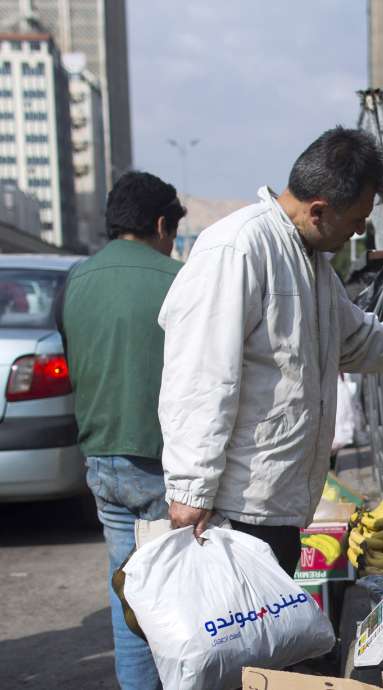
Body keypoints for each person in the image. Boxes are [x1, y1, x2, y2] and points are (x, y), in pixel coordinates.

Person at [158, 127, 383, 575]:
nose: (360, 231)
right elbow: (199, 376)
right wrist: (190, 491)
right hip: (233, 509)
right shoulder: (238, 248)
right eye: (357, 219)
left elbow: (356, 341)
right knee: (236, 638)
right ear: (319, 210)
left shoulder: (313, 263)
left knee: (266, 636)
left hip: (279, 502)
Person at [56, 171, 186, 690]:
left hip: (102, 460)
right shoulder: (177, 278)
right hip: (162, 466)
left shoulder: (76, 279)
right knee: (179, 600)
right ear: (160, 224)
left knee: (127, 591)